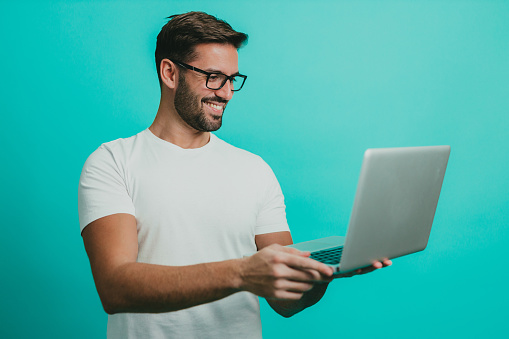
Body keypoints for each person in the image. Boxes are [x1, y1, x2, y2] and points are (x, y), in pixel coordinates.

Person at [78, 11, 391, 339]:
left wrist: (323, 272)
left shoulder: (255, 170)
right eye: (213, 77)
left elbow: (285, 301)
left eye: (232, 79)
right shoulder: (112, 163)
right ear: (170, 73)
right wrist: (241, 273)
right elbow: (115, 288)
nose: (226, 93)